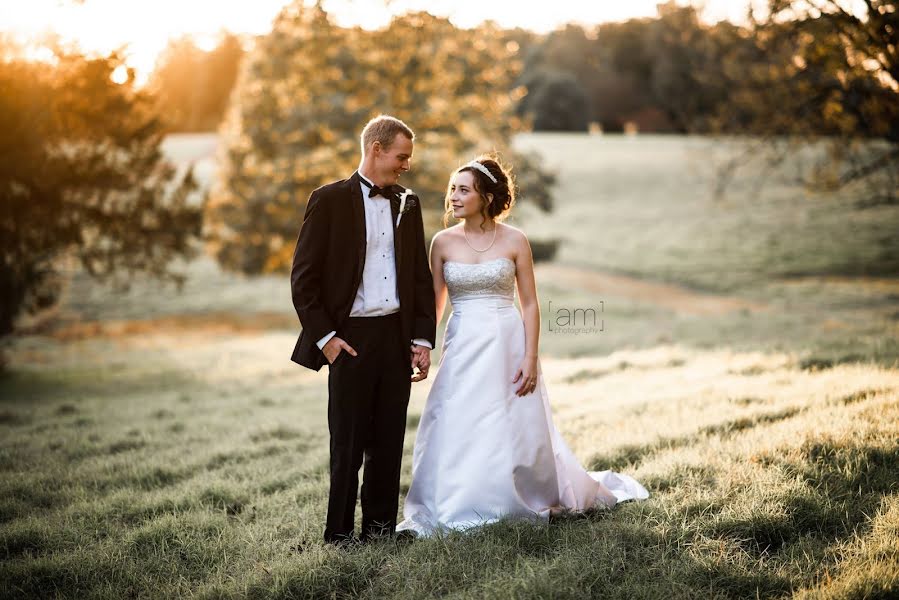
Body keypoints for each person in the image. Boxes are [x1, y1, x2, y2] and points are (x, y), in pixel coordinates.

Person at [396, 156, 648, 537]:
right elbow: (435, 302)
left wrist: (531, 358)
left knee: (509, 421)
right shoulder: (443, 242)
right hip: (463, 343)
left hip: (507, 341)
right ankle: (456, 500)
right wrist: (423, 345)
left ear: (486, 196)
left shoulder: (515, 240)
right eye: (453, 189)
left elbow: (529, 303)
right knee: (456, 418)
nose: (454, 197)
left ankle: (515, 495)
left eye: (464, 190)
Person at [290, 115, 437, 545]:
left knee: (389, 441)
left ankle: (379, 531)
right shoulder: (328, 200)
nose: (406, 165)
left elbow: (417, 279)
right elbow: (303, 279)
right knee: (348, 444)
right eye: (401, 156)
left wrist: (421, 339)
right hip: (348, 340)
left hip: (395, 337)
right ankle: (338, 534)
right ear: (376, 149)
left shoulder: (408, 203)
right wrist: (327, 340)